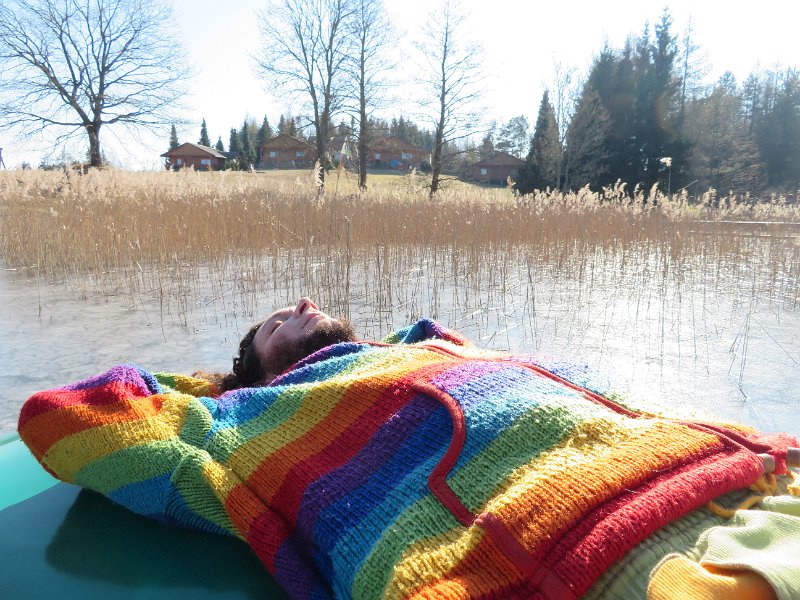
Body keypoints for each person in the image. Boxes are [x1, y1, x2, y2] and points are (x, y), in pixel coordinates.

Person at [18, 298, 800, 600]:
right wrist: (207, 386)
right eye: (275, 322)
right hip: (588, 559)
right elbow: (61, 422)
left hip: (744, 476)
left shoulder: (428, 349)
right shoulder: (238, 420)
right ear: (254, 368)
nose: (302, 303)